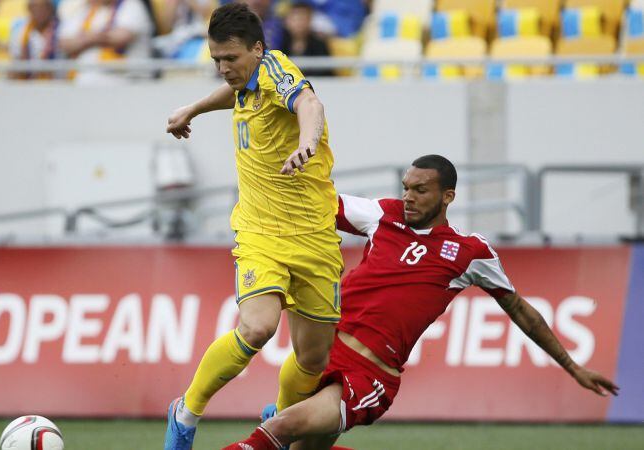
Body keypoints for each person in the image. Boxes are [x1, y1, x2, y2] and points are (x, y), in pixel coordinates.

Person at [223, 155, 620, 450]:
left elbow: (521, 311)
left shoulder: (470, 252)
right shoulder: (384, 216)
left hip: (369, 377)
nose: (408, 197)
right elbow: (320, 204)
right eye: (406, 188)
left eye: (420, 190)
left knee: (279, 428)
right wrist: (275, 180)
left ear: (448, 196)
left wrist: (572, 367)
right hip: (328, 351)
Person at [164, 3, 343, 449]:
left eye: (231, 59)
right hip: (260, 234)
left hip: (315, 237)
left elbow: (310, 103)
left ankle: (279, 423)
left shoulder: (277, 71)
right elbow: (236, 93)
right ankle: (186, 413)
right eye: (216, 60)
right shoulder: (248, 82)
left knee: (313, 358)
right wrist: (194, 109)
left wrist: (306, 143)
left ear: (259, 50)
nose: (224, 69)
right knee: (257, 328)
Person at [58, 0, 153, 84]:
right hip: (84, 80)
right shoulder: (85, 10)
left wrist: (85, 38)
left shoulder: (132, 5)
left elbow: (121, 38)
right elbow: (64, 44)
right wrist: (95, 37)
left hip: (124, 80)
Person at [278, 0, 333, 77]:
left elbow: (325, 72)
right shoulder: (280, 43)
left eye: (302, 18)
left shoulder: (319, 44)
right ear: (286, 22)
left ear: (310, 20)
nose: (299, 23)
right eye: (295, 19)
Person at [9, 0, 61, 79]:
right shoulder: (20, 33)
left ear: (50, 9)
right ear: (29, 10)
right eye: (35, 8)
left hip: (56, 83)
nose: (39, 11)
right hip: (29, 83)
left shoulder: (61, 30)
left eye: (43, 8)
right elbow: (16, 63)